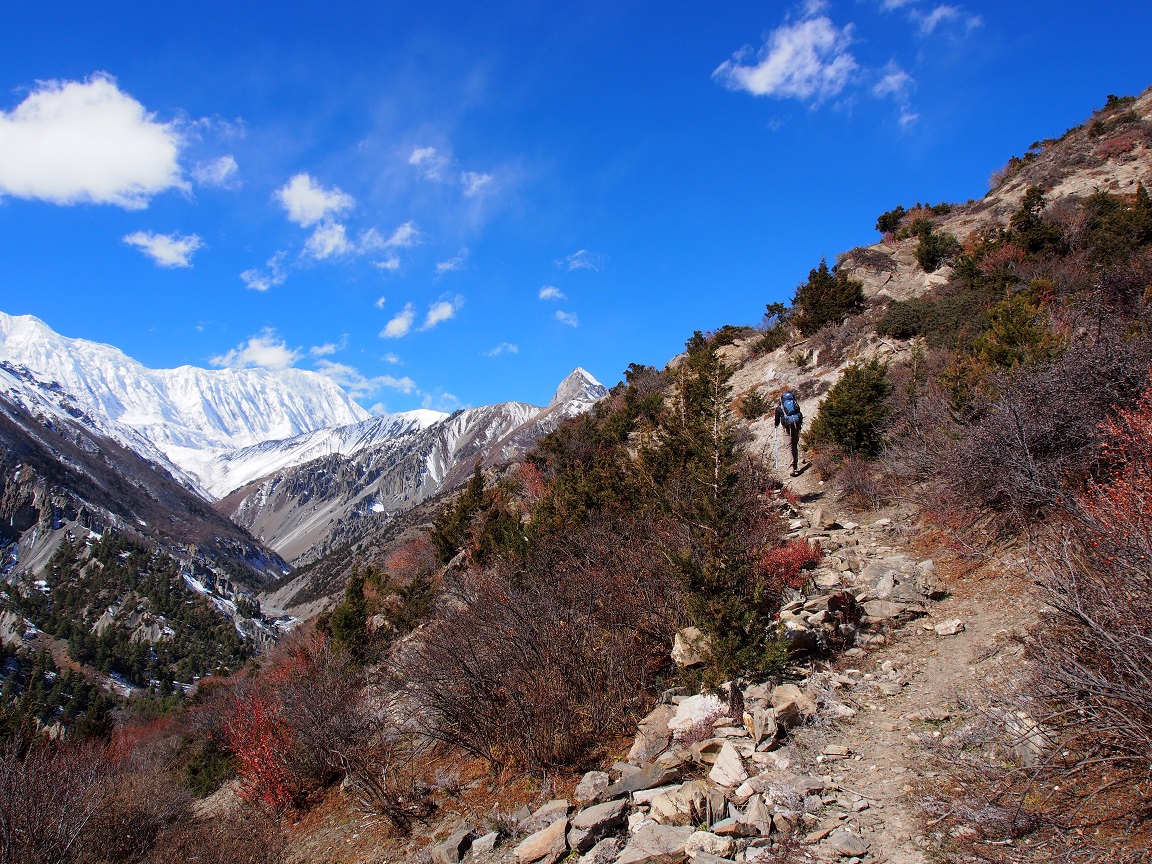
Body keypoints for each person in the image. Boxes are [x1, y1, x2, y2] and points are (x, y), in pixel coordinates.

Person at [774, 390, 803, 476]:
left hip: (787, 429)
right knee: (794, 445)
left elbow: (777, 422)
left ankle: (791, 467)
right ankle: (795, 465)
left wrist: (775, 425)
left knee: (789, 446)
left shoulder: (779, 408)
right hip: (796, 427)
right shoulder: (796, 405)